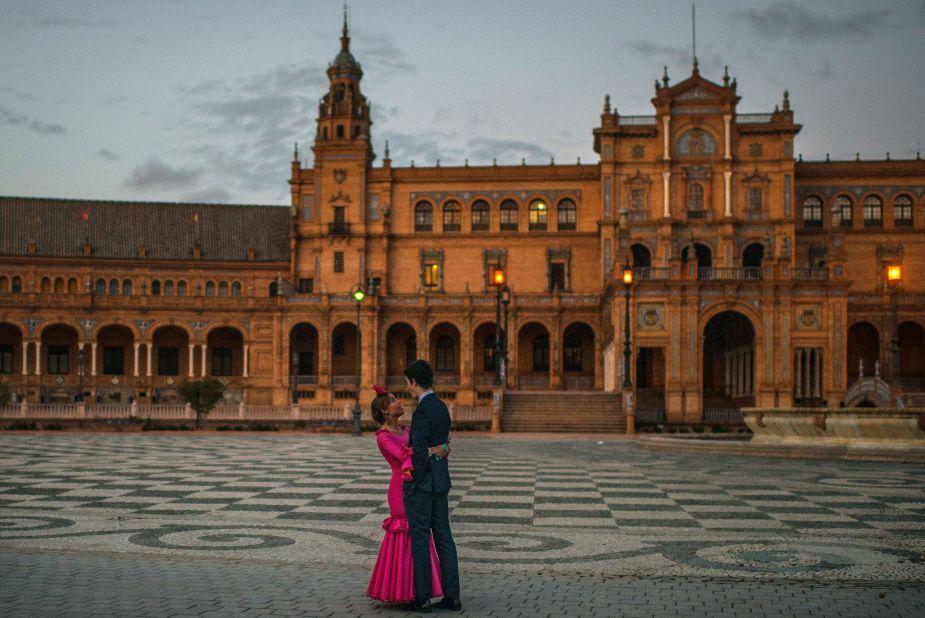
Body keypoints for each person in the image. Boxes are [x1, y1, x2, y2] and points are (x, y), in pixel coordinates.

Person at [366, 384, 448, 607]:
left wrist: (438, 445)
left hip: (417, 485)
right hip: (400, 490)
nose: (399, 402)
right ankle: (403, 589)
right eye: (394, 400)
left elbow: (419, 447)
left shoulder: (406, 430)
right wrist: (431, 450)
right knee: (406, 533)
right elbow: (404, 456)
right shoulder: (383, 436)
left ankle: (419, 588)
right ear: (385, 410)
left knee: (419, 534)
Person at [403, 360, 462, 612]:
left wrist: (412, 482)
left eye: (408, 383)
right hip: (440, 481)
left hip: (424, 484)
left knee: (420, 538)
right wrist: (438, 449)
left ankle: (423, 598)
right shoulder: (441, 407)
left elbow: (417, 451)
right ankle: (453, 597)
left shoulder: (422, 411)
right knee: (444, 537)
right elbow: (445, 442)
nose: (407, 387)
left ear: (414, 382)